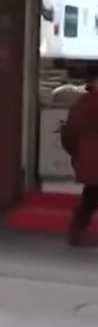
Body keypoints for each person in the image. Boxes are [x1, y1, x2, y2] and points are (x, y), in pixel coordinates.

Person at [62, 69, 98, 246]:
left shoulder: (80, 104)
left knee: (91, 196)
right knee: (91, 196)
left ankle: (76, 232)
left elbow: (68, 135)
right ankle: (76, 232)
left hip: (88, 161)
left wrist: (77, 155)